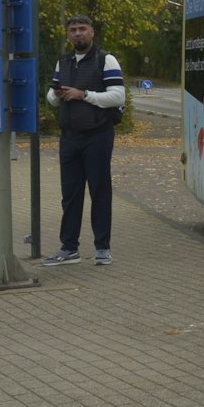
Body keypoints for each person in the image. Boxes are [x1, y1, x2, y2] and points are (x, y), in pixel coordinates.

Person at [43, 15, 126, 267]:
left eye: (82, 29)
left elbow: (118, 96)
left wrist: (84, 95)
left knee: (100, 192)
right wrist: (56, 95)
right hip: (69, 138)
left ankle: (102, 248)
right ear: (68, 34)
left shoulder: (105, 60)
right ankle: (69, 248)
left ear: (91, 32)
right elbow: (51, 97)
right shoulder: (63, 62)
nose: (78, 33)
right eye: (73, 30)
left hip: (97, 136)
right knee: (70, 195)